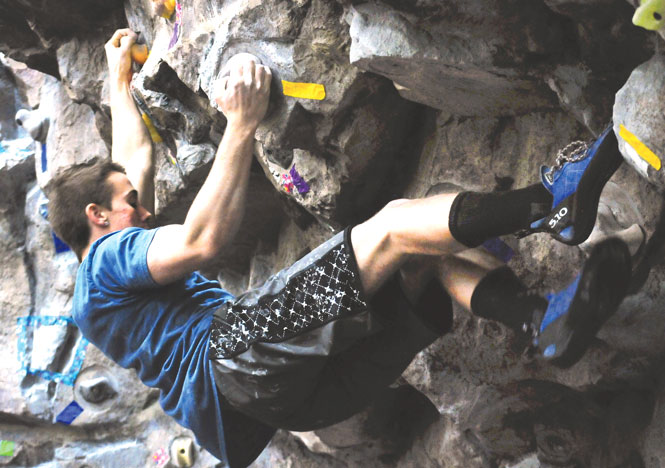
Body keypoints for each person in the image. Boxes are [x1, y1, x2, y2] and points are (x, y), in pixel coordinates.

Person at [47, 29, 632, 467]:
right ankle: (550, 201)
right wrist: (241, 123)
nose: (144, 211)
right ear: (97, 217)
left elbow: (132, 162)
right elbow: (202, 241)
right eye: (129, 203)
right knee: (397, 224)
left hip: (280, 407)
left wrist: (118, 82)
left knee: (421, 253)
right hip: (234, 354)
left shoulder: (99, 294)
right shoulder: (106, 259)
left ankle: (542, 320)